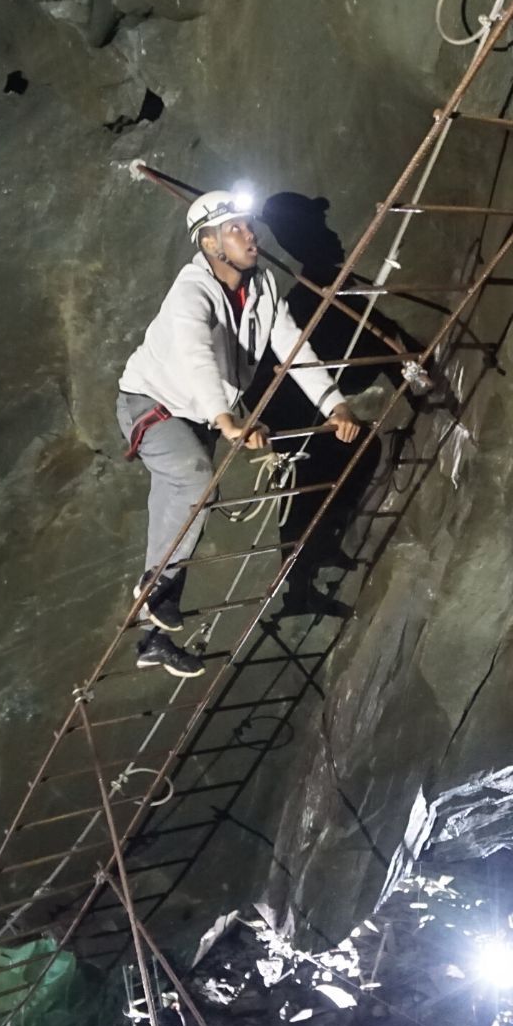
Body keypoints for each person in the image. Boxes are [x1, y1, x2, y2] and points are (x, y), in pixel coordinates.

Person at [117, 188, 362, 677]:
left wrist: (333, 403)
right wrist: (225, 417)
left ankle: (152, 638)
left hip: (199, 412)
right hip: (153, 403)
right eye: (235, 229)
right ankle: (154, 593)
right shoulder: (192, 290)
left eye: (248, 226)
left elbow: (291, 346)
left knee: (181, 509)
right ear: (210, 244)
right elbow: (195, 356)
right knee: (193, 479)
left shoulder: (263, 287)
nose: (250, 236)